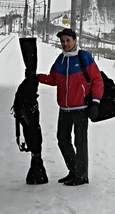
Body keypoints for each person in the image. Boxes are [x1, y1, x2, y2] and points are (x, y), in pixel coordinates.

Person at [37, 28, 103, 186]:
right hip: (64, 109)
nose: (65, 44)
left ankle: (82, 176)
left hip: (81, 108)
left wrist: (95, 102)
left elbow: (97, 80)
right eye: (62, 41)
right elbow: (53, 79)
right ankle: (74, 170)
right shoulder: (61, 59)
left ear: (75, 40)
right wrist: (36, 77)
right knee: (62, 139)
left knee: (80, 142)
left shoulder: (84, 57)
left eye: (68, 40)